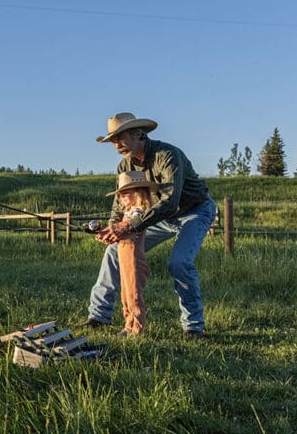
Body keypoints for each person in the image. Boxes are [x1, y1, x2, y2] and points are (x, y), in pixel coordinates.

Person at [86, 112, 216, 338]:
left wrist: (128, 227)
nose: (116, 145)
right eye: (113, 141)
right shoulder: (124, 165)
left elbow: (169, 202)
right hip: (158, 217)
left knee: (179, 262)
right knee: (113, 252)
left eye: (120, 137)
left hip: (193, 211)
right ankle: (98, 317)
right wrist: (111, 229)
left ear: (139, 134)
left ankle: (193, 326)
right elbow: (120, 204)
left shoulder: (167, 155)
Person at [106, 171, 158, 336]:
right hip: (124, 257)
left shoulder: (139, 214)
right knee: (125, 293)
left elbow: (130, 229)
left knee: (134, 294)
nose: (121, 197)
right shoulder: (128, 213)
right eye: (120, 194)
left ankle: (137, 329)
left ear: (138, 193)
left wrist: (117, 230)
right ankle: (128, 324)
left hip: (134, 259)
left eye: (125, 193)